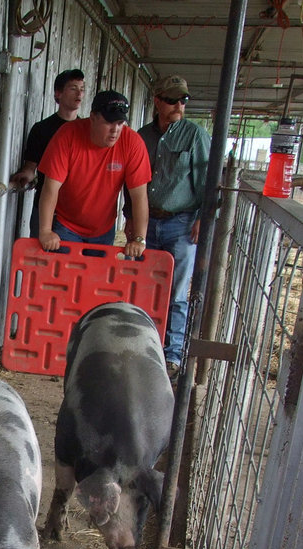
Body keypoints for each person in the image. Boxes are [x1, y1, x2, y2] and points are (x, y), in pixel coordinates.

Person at [128, 75, 210, 379]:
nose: (179, 105)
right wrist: (130, 216)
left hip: (181, 221)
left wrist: (203, 217)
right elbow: (132, 182)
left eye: (183, 100)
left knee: (175, 291)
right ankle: (143, 348)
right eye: (173, 100)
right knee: (144, 287)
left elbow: (207, 181)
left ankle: (172, 356)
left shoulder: (195, 136)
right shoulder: (142, 136)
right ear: (158, 100)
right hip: (148, 219)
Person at [37, 90, 150, 259]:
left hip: (103, 229)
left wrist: (140, 239)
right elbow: (50, 187)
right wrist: (45, 231)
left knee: (95, 282)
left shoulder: (132, 143)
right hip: (67, 226)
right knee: (66, 280)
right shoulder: (67, 135)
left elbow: (139, 196)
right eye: (109, 122)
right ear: (92, 117)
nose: (115, 130)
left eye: (120, 123)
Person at [10, 69, 87, 238]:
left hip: (76, 211)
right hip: (45, 209)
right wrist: (26, 175)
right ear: (58, 93)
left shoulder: (87, 131)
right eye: (73, 88)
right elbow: (31, 166)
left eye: (82, 89)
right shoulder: (42, 129)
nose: (79, 93)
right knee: (40, 260)